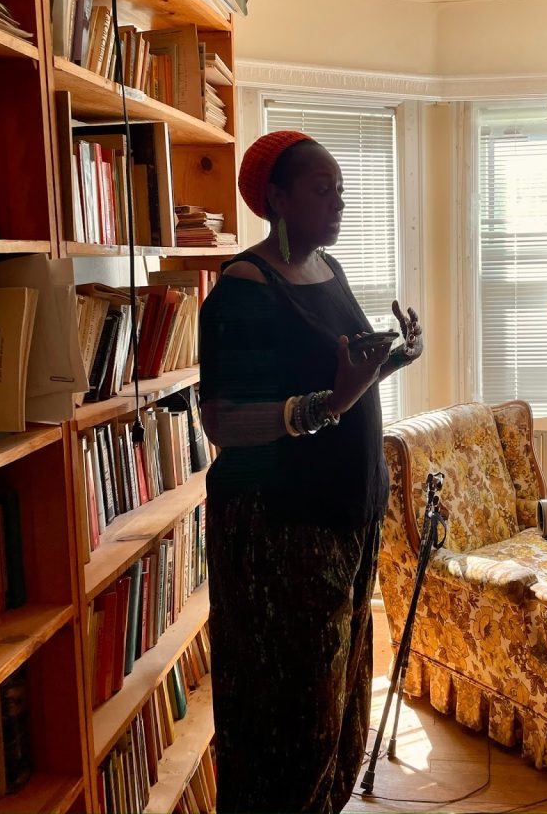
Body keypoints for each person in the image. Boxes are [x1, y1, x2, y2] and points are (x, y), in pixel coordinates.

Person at [199, 129, 423, 813]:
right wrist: (324, 406)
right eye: (322, 189)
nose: (340, 202)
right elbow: (224, 419)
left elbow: (341, 375)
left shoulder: (330, 270)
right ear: (276, 198)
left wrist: (392, 361)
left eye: (343, 190)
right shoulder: (244, 287)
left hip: (350, 515)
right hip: (280, 532)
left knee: (343, 712)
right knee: (292, 723)